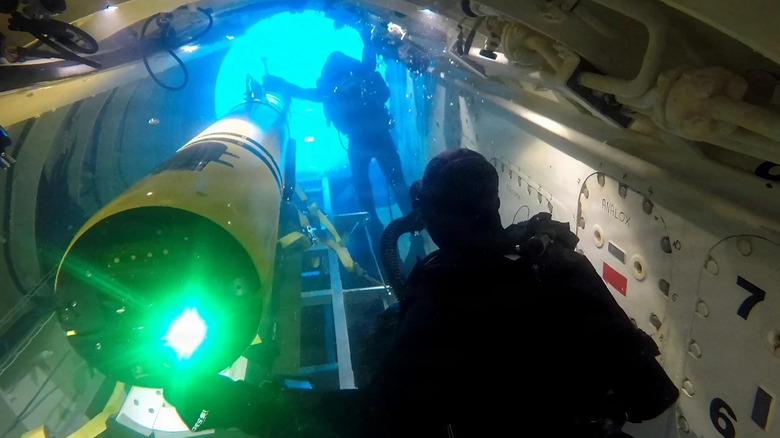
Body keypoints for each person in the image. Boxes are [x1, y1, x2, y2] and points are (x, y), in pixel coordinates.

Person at [163, 149, 678, 438]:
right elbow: (652, 397)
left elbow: (379, 422)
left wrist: (240, 405)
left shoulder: (445, 302)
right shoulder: (558, 265)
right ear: (493, 205)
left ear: (428, 212)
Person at [263, 25, 412, 242]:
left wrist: (277, 82)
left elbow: (304, 92)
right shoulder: (358, 76)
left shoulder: (343, 82)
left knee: (368, 184)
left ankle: (376, 225)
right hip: (377, 136)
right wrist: (367, 38)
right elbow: (368, 66)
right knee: (392, 180)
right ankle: (408, 221)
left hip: (361, 140)